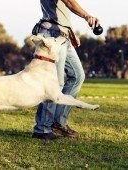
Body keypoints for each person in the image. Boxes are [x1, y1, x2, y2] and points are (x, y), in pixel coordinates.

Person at [32, 0, 100, 140]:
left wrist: (70, 31)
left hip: (63, 34)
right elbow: (69, 2)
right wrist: (87, 16)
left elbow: (61, 10)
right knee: (55, 83)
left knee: (77, 76)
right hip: (52, 34)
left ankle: (58, 122)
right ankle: (42, 129)